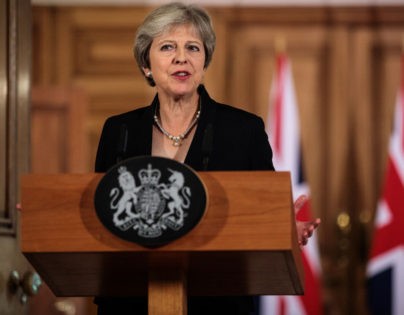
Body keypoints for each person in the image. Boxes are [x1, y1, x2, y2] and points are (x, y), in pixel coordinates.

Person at [94, 2, 320, 315]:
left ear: (204, 61)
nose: (181, 57)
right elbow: (101, 212)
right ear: (146, 64)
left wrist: (284, 229)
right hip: (131, 301)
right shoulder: (119, 131)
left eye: (193, 47)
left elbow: (265, 211)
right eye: (168, 47)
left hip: (219, 301)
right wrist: (54, 215)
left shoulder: (244, 130)